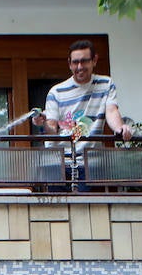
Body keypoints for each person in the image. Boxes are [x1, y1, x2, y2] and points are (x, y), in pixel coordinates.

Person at [30, 39, 133, 189]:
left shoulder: (105, 84)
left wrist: (120, 129)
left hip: (90, 162)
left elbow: (111, 110)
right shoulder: (56, 92)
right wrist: (42, 121)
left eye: (84, 61)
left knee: (89, 210)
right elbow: (51, 129)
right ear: (69, 63)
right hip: (56, 164)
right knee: (58, 211)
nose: (79, 67)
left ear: (94, 60)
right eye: (75, 62)